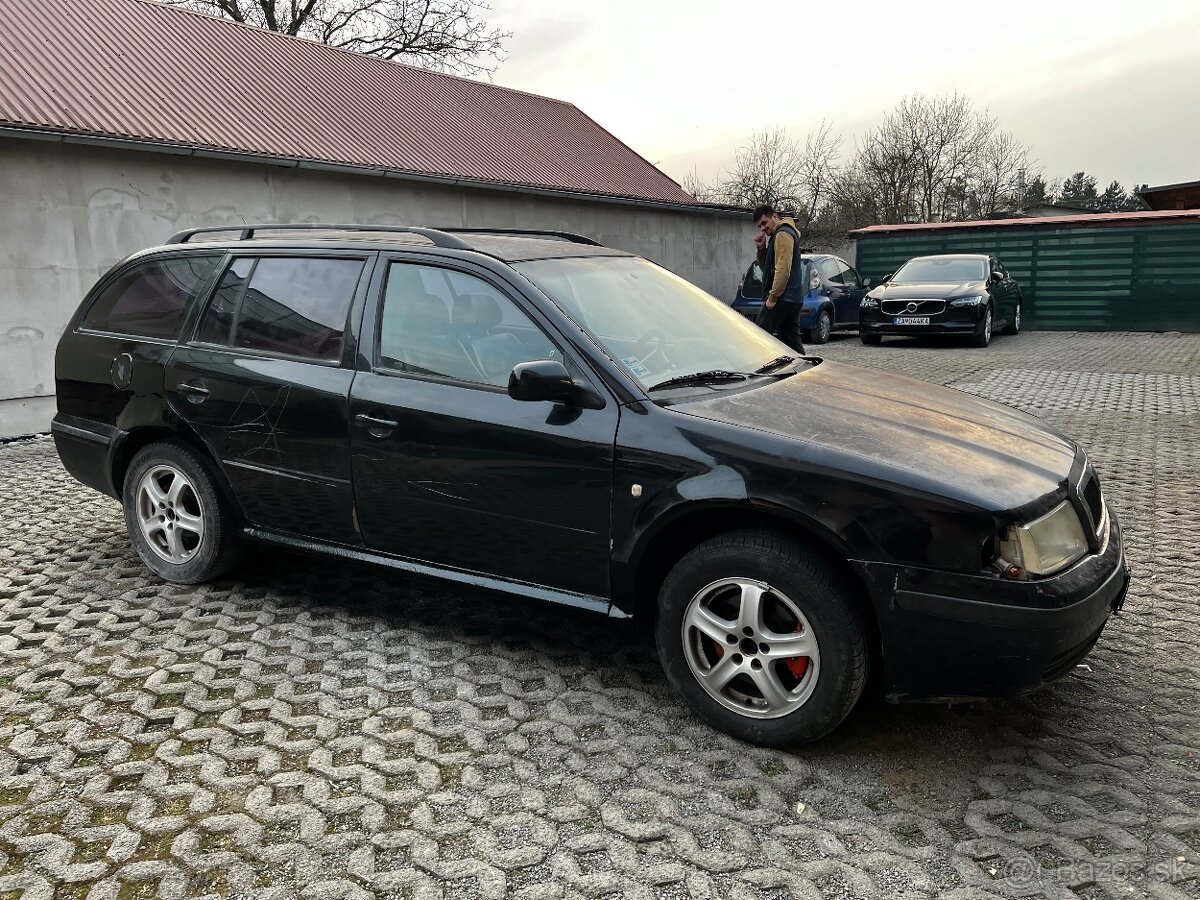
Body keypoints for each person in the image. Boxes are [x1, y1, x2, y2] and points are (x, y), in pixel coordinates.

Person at [752, 204, 806, 354]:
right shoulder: (779, 236)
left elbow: (783, 269)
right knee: (792, 346)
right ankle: (804, 374)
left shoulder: (783, 234)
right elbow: (769, 269)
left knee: (757, 338)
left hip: (782, 299)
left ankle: (756, 373)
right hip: (791, 299)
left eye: (764, 223)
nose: (762, 229)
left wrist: (773, 298)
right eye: (759, 226)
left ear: (775, 217)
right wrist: (761, 249)